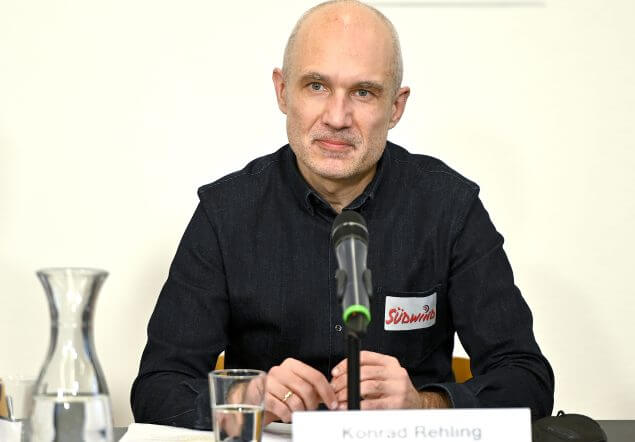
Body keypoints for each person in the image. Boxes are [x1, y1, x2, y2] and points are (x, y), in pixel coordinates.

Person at [131, 0, 554, 430]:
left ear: (396, 107)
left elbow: (527, 379)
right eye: (316, 86)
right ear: (283, 91)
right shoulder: (225, 214)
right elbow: (156, 389)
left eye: (363, 92)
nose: (337, 118)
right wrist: (245, 399)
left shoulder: (450, 208)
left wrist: (424, 406)